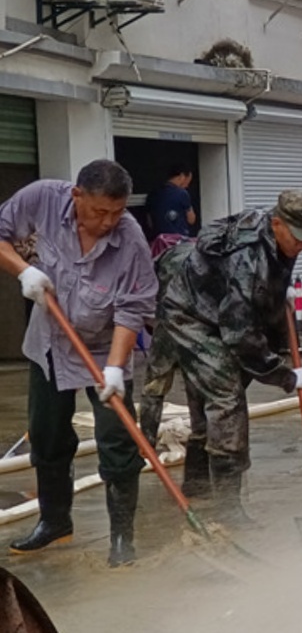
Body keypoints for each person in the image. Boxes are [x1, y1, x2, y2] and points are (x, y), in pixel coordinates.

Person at [0, 160, 159, 567]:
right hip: (51, 341)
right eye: (98, 211)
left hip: (107, 348)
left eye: (117, 212)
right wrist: (25, 271)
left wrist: (114, 370)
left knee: (117, 441)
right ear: (77, 196)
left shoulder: (131, 241)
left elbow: (133, 308)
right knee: (48, 436)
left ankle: (122, 538)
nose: (108, 222)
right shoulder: (42, 198)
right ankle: (55, 522)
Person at [155, 190, 302, 522]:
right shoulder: (247, 257)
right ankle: (228, 509)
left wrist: (279, 290)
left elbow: (256, 297)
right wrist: (284, 375)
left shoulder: (275, 233)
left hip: (218, 307)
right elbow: (241, 336)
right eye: (299, 238)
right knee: (227, 399)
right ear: (277, 223)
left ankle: (199, 485)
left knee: (211, 398)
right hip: (190, 314)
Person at [145, 162, 196, 238]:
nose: (187, 185)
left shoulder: (153, 194)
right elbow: (191, 220)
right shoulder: (182, 194)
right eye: (188, 181)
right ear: (182, 176)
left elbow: (150, 222)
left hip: (159, 242)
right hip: (179, 241)